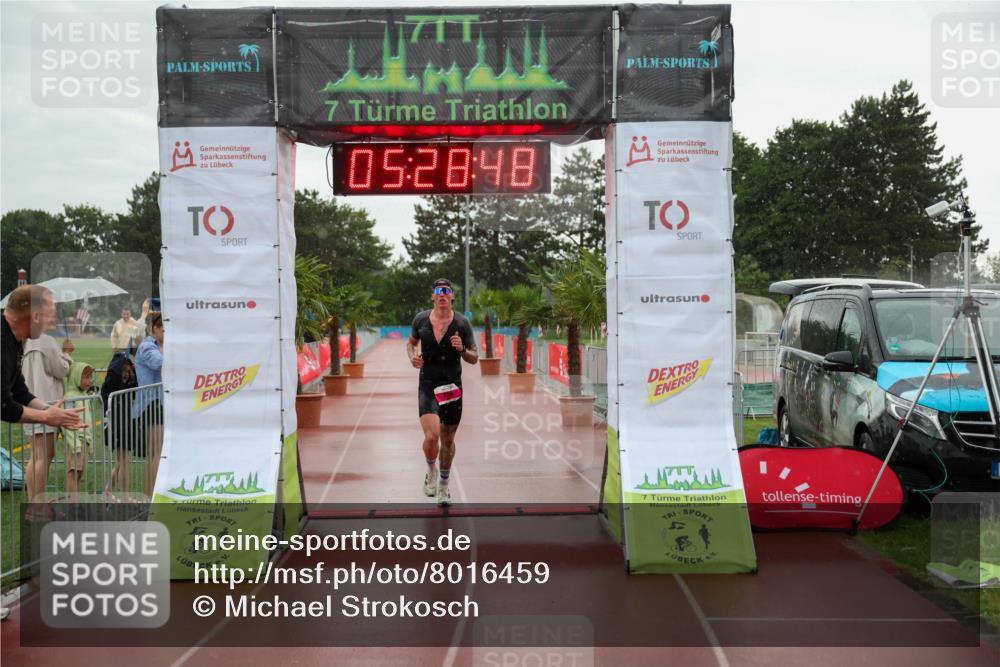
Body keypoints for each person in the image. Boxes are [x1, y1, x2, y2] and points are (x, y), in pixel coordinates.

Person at [407, 278, 477, 506]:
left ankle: (444, 488)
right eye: (438, 291)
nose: (443, 294)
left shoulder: (462, 324)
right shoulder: (420, 319)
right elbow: (410, 343)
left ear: (452, 296)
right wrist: (412, 357)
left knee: (447, 441)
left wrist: (462, 350)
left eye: (447, 291)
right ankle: (431, 472)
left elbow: (475, 358)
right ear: (433, 296)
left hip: (452, 387)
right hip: (428, 383)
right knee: (432, 436)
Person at [21, 332, 74, 502]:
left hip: (29, 403)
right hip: (45, 405)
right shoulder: (46, 341)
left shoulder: (23, 341)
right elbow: (61, 369)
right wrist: (67, 353)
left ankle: (34, 501)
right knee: (44, 456)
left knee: (36, 456)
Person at [134, 312, 164, 497]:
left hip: (161, 403)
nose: (167, 333)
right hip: (152, 404)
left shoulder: (159, 345)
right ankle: (150, 496)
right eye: (163, 329)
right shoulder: (147, 347)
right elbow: (160, 363)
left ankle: (151, 495)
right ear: (153, 329)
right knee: (156, 453)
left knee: (159, 453)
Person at [102, 352, 138, 498]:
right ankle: (125, 497)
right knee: (123, 462)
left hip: (125, 426)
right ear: (116, 370)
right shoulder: (111, 382)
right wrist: (122, 361)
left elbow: (134, 389)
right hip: (116, 427)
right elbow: (116, 371)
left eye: (128, 371)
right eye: (123, 371)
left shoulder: (126, 384)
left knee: (123, 462)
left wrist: (133, 372)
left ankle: (107, 492)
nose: (126, 374)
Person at [61, 361, 95, 495]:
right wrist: (74, 443)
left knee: (79, 474)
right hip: (75, 442)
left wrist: (89, 442)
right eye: (86, 377)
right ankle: (72, 506)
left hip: (83, 441)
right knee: (73, 473)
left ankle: (75, 504)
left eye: (91, 377)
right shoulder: (70, 397)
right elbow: (67, 423)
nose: (90, 381)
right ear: (76, 377)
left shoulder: (85, 395)